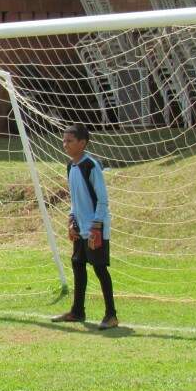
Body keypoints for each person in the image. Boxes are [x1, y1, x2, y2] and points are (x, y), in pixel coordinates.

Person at [52, 123, 118, 330]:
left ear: (82, 143)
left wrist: (96, 227)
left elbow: (102, 199)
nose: (65, 144)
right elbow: (75, 199)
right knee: (78, 266)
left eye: (70, 141)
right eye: (64, 140)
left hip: (95, 228)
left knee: (100, 269)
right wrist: (72, 220)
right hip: (81, 227)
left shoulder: (91, 165)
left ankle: (111, 315)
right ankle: (77, 311)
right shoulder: (70, 166)